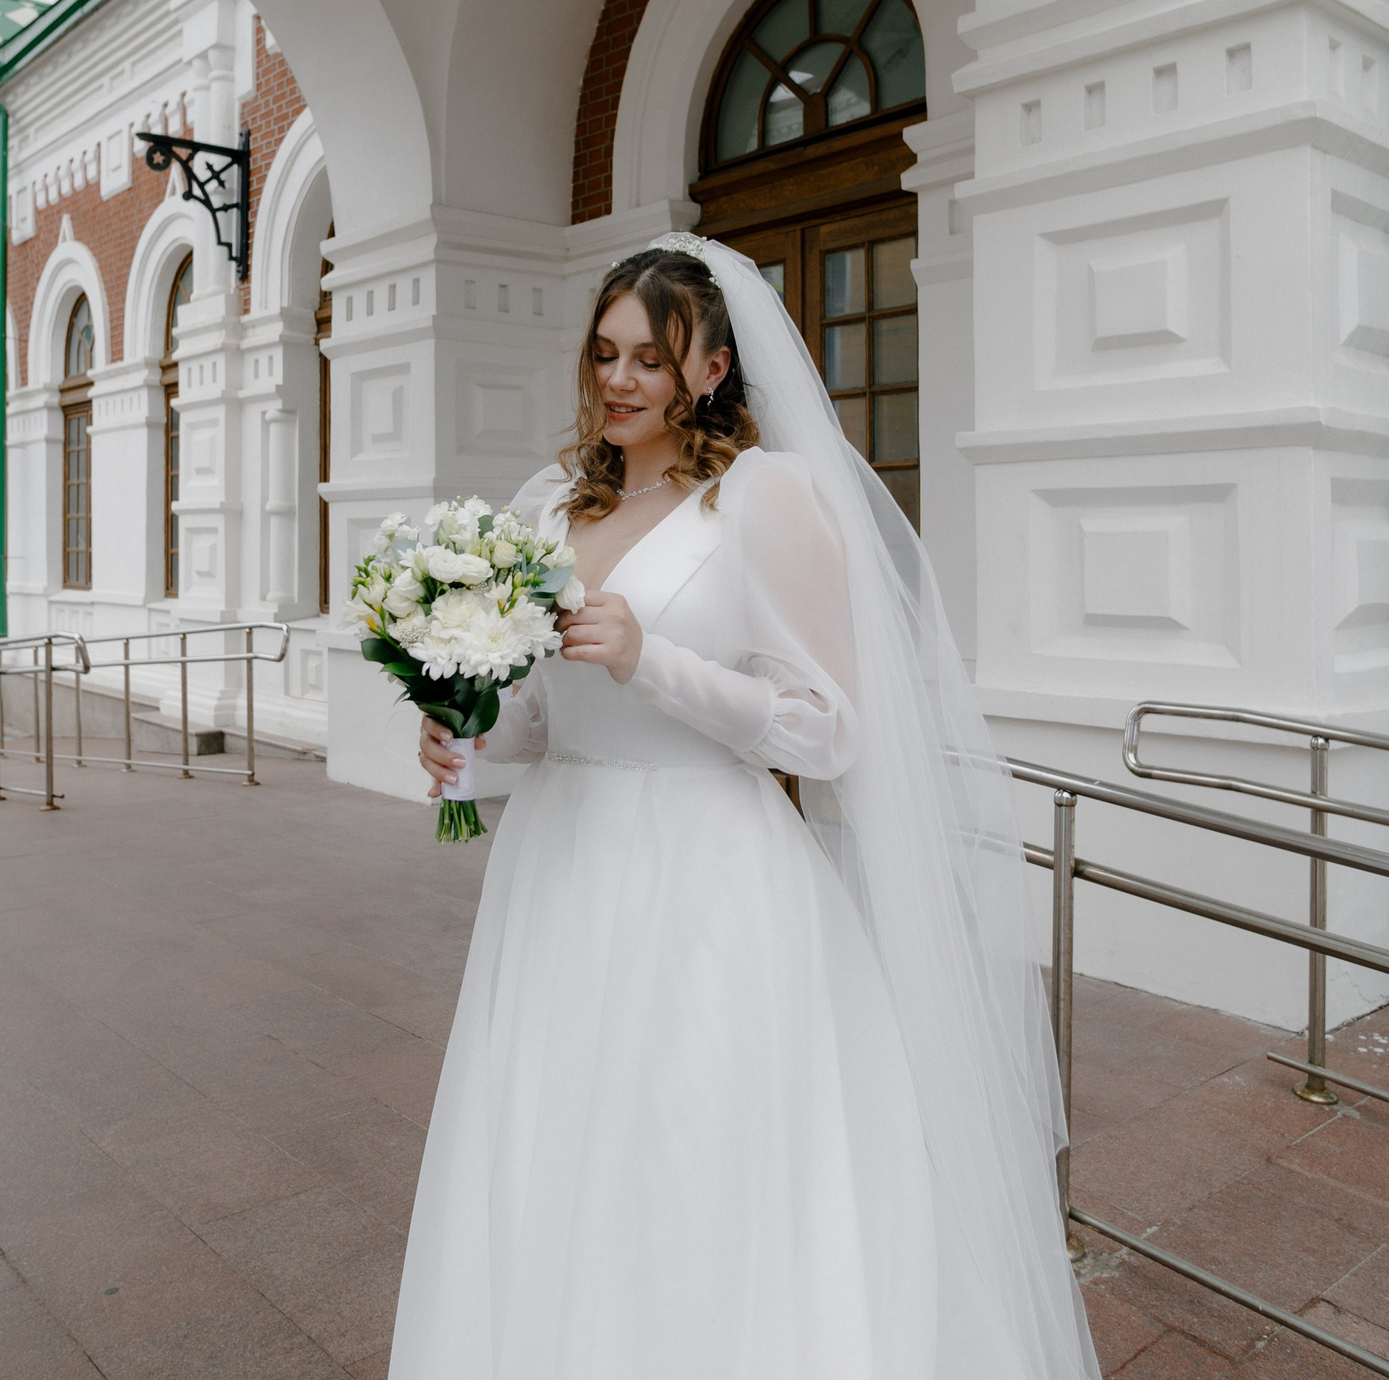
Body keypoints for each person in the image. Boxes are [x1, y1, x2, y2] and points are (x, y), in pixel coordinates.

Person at [389, 234, 1100, 1380]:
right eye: (605, 354)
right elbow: (539, 724)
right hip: (559, 868)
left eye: (651, 362)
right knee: (554, 1141)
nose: (618, 381)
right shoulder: (552, 511)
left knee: (692, 1145)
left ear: (711, 371)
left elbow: (828, 729)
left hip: (707, 873)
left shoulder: (763, 502)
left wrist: (652, 662)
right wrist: (465, 734)